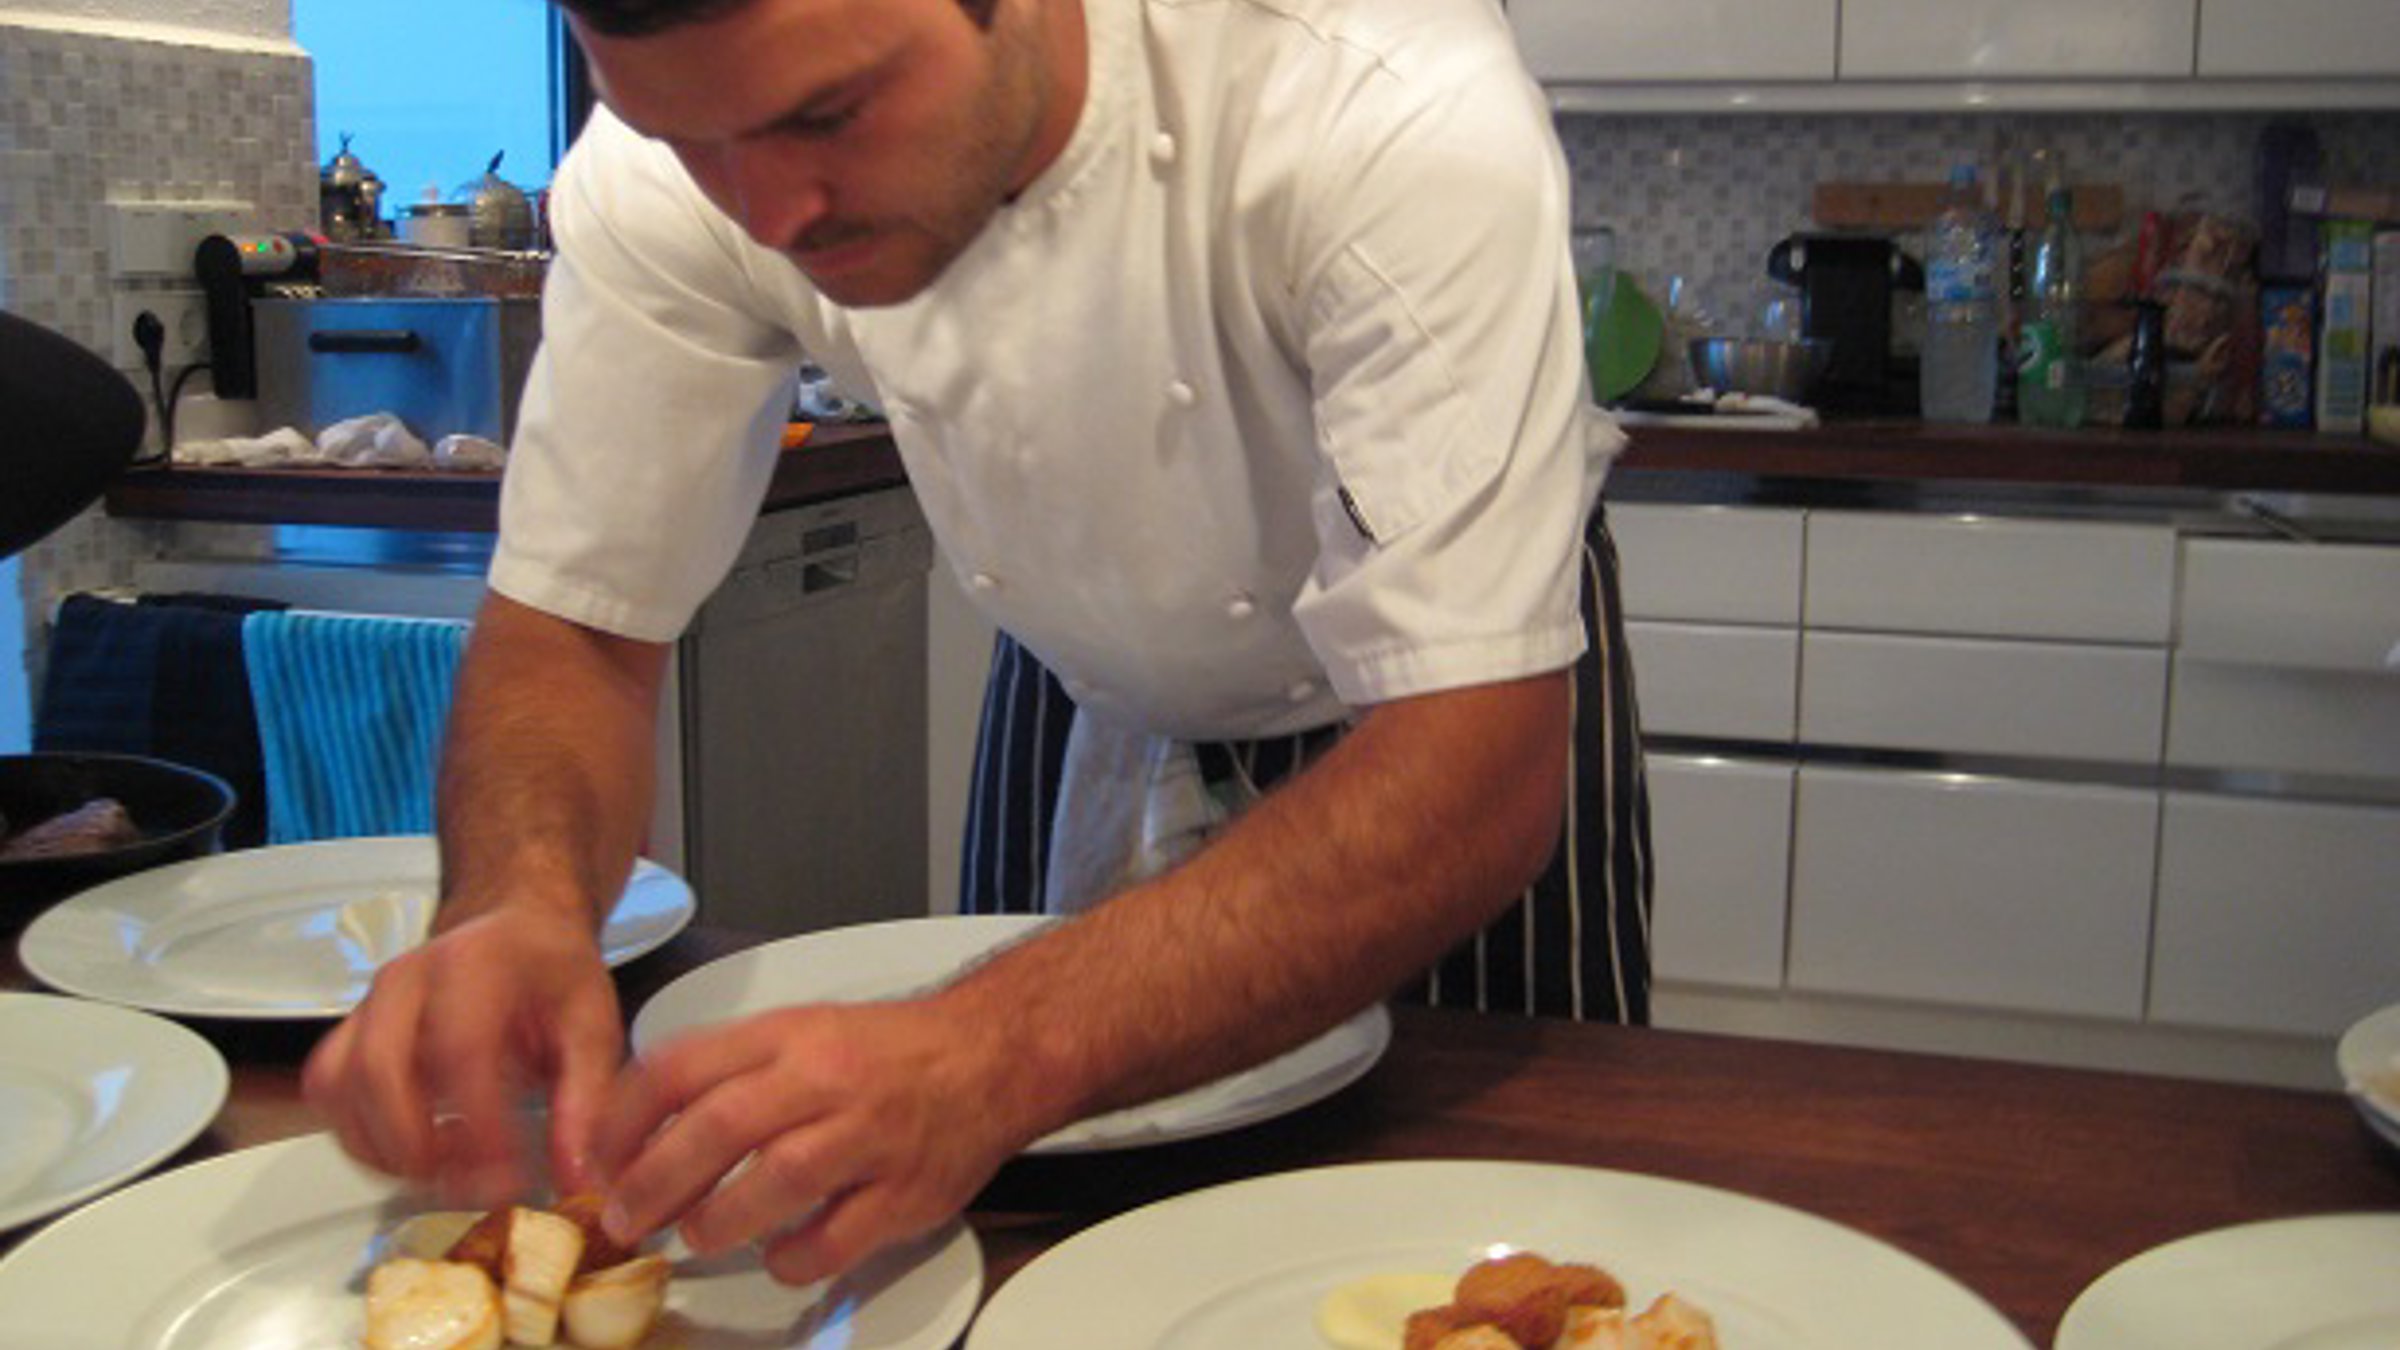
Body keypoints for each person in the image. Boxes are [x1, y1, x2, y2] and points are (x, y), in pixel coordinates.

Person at [303, 0, 1651, 1290]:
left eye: (829, 112)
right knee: (1012, 1258)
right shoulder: (678, 156)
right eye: (686, 142)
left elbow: (1473, 760)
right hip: (1087, 692)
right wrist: (518, 902)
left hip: (1444, 722)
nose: (766, 211)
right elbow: (575, 625)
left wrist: (990, 1042)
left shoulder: (1386, 97)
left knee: (1501, 1268)